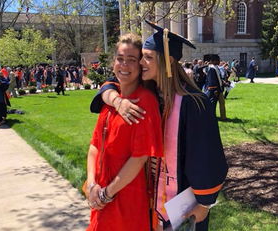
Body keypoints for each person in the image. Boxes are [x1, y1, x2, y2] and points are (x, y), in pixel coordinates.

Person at [90, 20, 228, 231]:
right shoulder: (152, 93)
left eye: (148, 57)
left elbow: (206, 157)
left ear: (168, 61)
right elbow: (110, 84)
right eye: (142, 56)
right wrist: (118, 101)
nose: (141, 63)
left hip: (183, 204)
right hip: (150, 201)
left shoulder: (193, 103)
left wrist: (204, 204)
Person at [86, 33, 163, 231]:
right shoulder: (111, 100)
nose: (124, 65)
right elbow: (95, 145)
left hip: (126, 197)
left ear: (140, 65)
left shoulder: (145, 102)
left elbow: (140, 157)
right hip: (100, 193)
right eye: (120, 59)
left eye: (131, 60)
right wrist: (92, 185)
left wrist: (106, 194)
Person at [204, 55, 227, 121]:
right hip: (214, 90)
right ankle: (211, 116)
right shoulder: (211, 68)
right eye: (218, 60)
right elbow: (211, 80)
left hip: (219, 89)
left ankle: (223, 117)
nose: (219, 61)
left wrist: (223, 82)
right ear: (214, 60)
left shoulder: (216, 67)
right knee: (213, 104)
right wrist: (214, 90)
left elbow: (218, 78)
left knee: (222, 102)